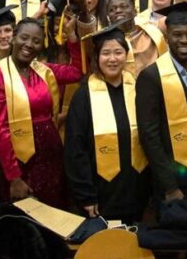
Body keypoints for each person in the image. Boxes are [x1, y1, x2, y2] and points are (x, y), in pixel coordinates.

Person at [0, 17, 83, 206]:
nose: (29, 44)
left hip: (51, 154)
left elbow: (76, 72)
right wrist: (14, 177)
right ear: (13, 37)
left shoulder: (43, 70)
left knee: (56, 211)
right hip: (19, 161)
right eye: (24, 38)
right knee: (24, 214)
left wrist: (72, 38)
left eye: (36, 41)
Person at [136, 2, 187, 207]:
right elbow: (149, 136)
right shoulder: (151, 76)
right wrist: (169, 186)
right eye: (177, 34)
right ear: (167, 36)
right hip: (174, 181)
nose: (184, 40)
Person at [64, 24, 150, 222]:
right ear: (96, 57)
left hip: (136, 188)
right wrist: (85, 194)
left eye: (118, 52)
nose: (112, 59)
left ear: (126, 55)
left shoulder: (139, 90)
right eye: (106, 53)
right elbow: (75, 150)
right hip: (100, 191)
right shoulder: (84, 96)